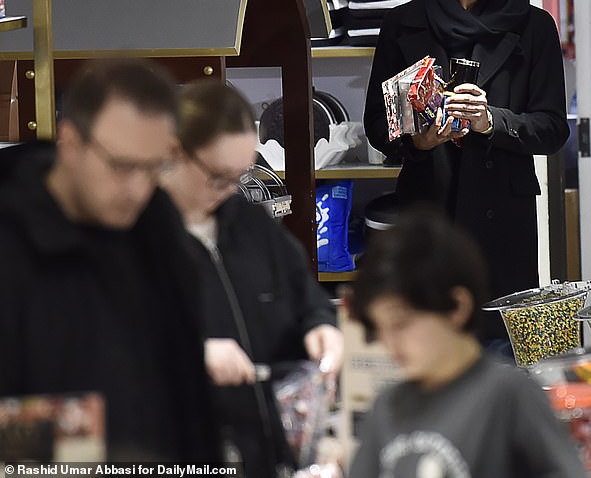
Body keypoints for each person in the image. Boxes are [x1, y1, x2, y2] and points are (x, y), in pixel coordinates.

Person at [362, 0, 570, 342]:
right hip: (431, 208)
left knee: (506, 349)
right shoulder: (404, 25)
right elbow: (379, 127)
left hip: (504, 213)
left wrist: (490, 120)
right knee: (429, 345)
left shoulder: (533, 26)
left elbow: (553, 127)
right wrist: (419, 140)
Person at [0, 58, 219, 462]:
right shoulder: (12, 248)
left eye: (154, 168)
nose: (137, 189)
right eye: (121, 166)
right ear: (70, 143)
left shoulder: (158, 232)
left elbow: (188, 396)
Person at [160, 79, 344, 477]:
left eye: (241, 173)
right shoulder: (131, 239)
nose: (230, 190)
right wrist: (197, 354)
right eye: (218, 176)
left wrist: (320, 327)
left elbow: (304, 297)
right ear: (173, 152)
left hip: (267, 445)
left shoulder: (252, 226)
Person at [346, 207, 587, 478]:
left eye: (401, 323)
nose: (391, 343)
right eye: (381, 329)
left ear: (457, 307)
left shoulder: (510, 396)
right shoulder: (387, 406)